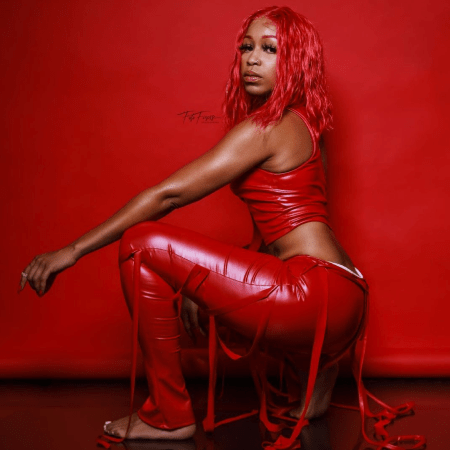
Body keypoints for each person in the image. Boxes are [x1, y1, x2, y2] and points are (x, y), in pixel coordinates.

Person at [19, 6, 425, 450]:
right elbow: (288, 227)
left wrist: (71, 251)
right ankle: (316, 382)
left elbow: (167, 196)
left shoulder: (266, 127)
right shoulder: (310, 123)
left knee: (141, 243)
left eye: (270, 49)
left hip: (308, 293)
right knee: (219, 287)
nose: (252, 59)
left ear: (297, 60)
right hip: (347, 295)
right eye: (247, 47)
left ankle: (169, 415)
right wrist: (207, 288)